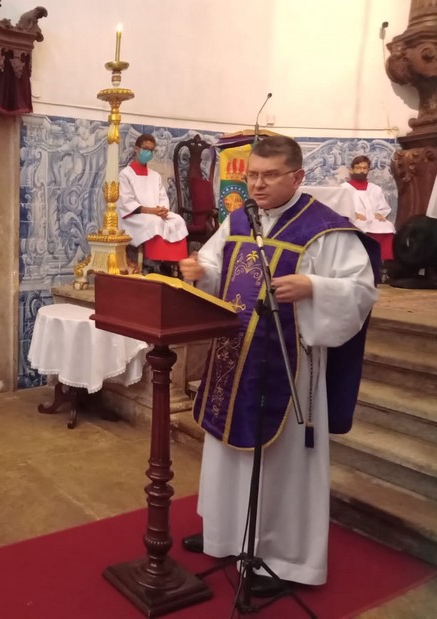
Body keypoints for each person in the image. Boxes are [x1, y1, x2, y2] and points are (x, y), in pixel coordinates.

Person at [178, 136, 379, 596]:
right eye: (252, 175)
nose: (258, 184)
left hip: (291, 368)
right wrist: (198, 270)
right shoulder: (238, 219)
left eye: (269, 176)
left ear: (297, 177)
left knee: (282, 464)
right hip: (235, 361)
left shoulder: (327, 229)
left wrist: (313, 288)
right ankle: (226, 534)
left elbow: (361, 292)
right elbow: (214, 264)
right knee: (227, 451)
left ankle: (283, 558)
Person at [117, 133, 189, 275]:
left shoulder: (154, 176)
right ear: (137, 149)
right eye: (145, 148)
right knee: (154, 223)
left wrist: (163, 210)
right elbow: (127, 202)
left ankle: (172, 263)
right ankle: (155, 262)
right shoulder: (125, 174)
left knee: (178, 221)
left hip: (156, 214)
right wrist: (152, 211)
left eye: (151, 150)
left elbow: (163, 197)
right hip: (134, 217)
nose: (148, 152)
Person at [340, 155, 396, 262]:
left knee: (388, 226)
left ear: (368, 170)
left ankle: (385, 262)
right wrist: (353, 214)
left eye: (364, 168)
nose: (361, 171)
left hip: (372, 220)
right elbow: (341, 207)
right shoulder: (344, 188)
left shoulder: (375, 188)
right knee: (361, 227)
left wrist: (380, 213)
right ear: (352, 170)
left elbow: (383, 207)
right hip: (355, 220)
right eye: (358, 168)